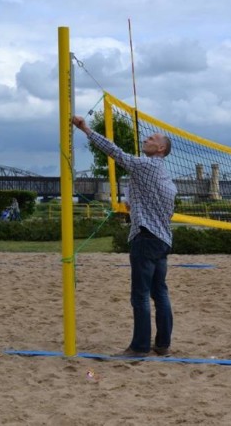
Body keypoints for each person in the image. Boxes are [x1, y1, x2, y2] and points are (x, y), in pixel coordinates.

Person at [72, 115, 177, 357]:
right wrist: (136, 205)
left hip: (146, 238)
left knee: (140, 295)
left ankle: (139, 347)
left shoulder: (147, 165)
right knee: (160, 292)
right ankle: (163, 345)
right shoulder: (166, 177)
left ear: (161, 148)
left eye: (151, 138)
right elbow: (161, 205)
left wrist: (86, 129)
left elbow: (115, 152)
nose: (146, 139)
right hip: (162, 240)